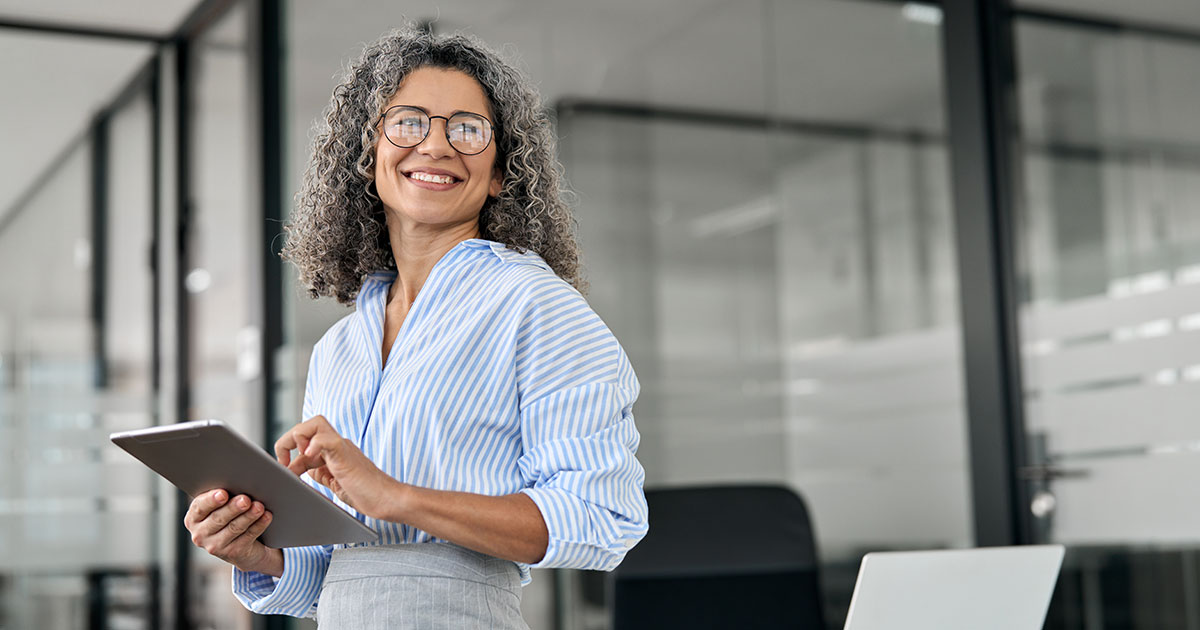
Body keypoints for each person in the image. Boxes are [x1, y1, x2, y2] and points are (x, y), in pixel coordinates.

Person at [181, 26, 649, 628]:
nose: (435, 145)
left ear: (502, 172)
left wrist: (399, 497)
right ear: (368, 155)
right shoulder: (339, 349)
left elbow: (603, 517)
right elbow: (329, 575)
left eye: (467, 129)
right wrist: (257, 551)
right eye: (408, 122)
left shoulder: (535, 306)